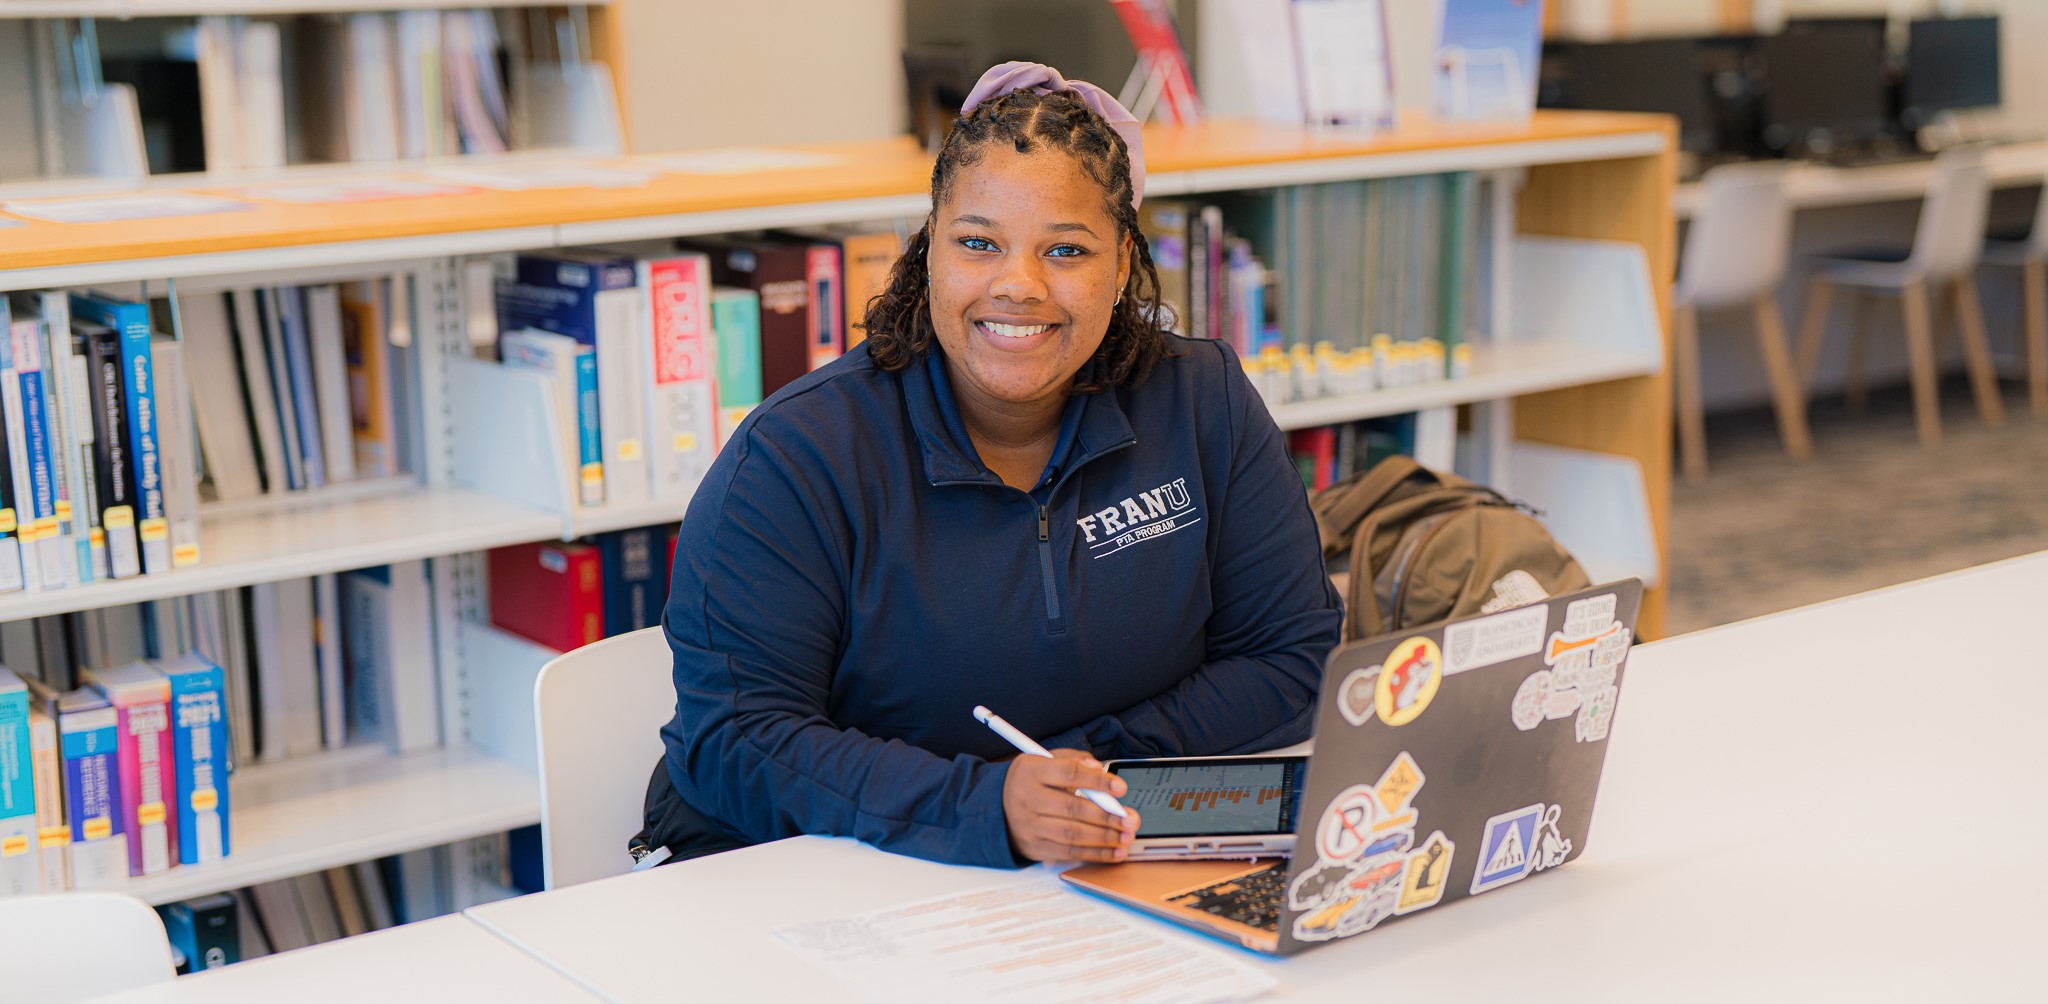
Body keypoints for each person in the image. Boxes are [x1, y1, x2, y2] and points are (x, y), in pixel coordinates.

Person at [636, 61, 1341, 870]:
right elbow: (735, 741)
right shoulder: (797, 456)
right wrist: (986, 803)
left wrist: (1076, 769)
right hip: (800, 871)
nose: (1019, 285)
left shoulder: (1200, 399)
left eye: (1067, 250)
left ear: (1121, 269)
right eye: (978, 243)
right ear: (927, 249)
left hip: (1077, 862)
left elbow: (1294, 655)